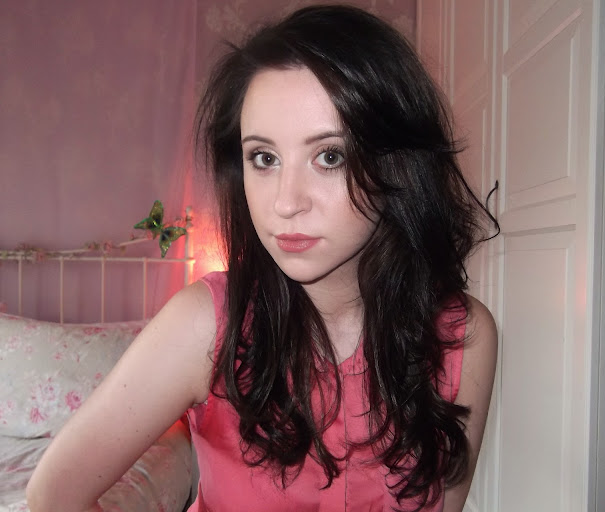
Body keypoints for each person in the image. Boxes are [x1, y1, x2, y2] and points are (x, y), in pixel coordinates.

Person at [27, 4, 498, 512]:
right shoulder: (207, 327)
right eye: (264, 158)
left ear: (398, 163)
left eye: (330, 156)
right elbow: (54, 494)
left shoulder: (464, 339)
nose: (285, 203)